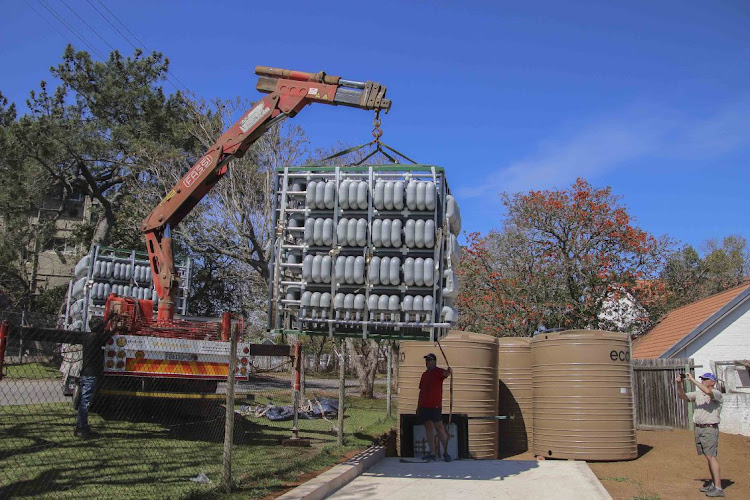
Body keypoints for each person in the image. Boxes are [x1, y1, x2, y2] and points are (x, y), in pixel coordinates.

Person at [676, 372, 724, 497]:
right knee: (708, 457)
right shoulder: (698, 394)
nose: (702, 380)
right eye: (702, 379)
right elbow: (683, 396)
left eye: (705, 379)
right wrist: (679, 384)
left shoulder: (717, 393)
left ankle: (718, 488)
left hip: (710, 429)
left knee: (711, 457)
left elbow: (708, 392)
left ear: (713, 382)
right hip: (699, 429)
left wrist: (692, 379)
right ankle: (714, 484)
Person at [74, 317, 111, 438]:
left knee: (84, 401)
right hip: (91, 374)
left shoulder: (87, 337)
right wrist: (116, 327)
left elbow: (101, 331)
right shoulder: (96, 338)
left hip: (85, 373)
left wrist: (109, 318)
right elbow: (108, 335)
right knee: (85, 403)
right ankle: (81, 428)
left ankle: (82, 426)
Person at [416, 353, 452, 462]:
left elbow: (446, 374)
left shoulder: (438, 372)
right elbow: (421, 391)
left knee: (439, 427)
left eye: (430, 360)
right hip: (424, 406)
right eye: (426, 360)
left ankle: (445, 452)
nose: (427, 362)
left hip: (435, 406)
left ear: (434, 361)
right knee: (428, 427)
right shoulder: (424, 375)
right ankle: (432, 453)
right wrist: (418, 406)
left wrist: (449, 371)